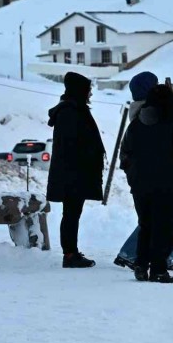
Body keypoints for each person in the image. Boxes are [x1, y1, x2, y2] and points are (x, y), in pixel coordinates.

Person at [120, 84, 173, 283]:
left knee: (146, 225)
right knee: (166, 227)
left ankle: (141, 266)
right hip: (169, 186)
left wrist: (133, 175)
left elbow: (125, 155)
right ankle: (158, 270)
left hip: (141, 186)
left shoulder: (135, 125)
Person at [46, 72, 105, 268]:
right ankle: (70, 254)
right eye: (88, 90)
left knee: (72, 213)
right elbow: (74, 146)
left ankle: (71, 252)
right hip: (73, 174)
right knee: (71, 213)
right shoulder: (71, 112)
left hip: (74, 173)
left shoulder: (74, 110)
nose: (90, 94)